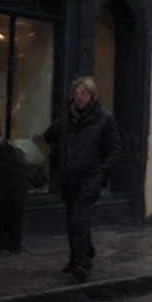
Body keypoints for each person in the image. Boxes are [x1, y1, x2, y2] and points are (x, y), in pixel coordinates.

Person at [42, 77, 121, 280]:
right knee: (72, 221)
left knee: (79, 218)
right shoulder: (67, 117)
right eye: (76, 94)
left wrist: (102, 172)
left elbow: (114, 150)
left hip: (90, 178)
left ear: (93, 95)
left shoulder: (104, 119)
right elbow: (48, 137)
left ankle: (83, 263)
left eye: (83, 94)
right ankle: (77, 256)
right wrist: (56, 159)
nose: (79, 98)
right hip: (69, 178)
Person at [0, 138, 28, 254]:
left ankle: (2, 243)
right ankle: (14, 245)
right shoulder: (19, 161)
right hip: (16, 196)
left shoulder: (2, 164)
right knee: (15, 220)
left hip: (3, 195)